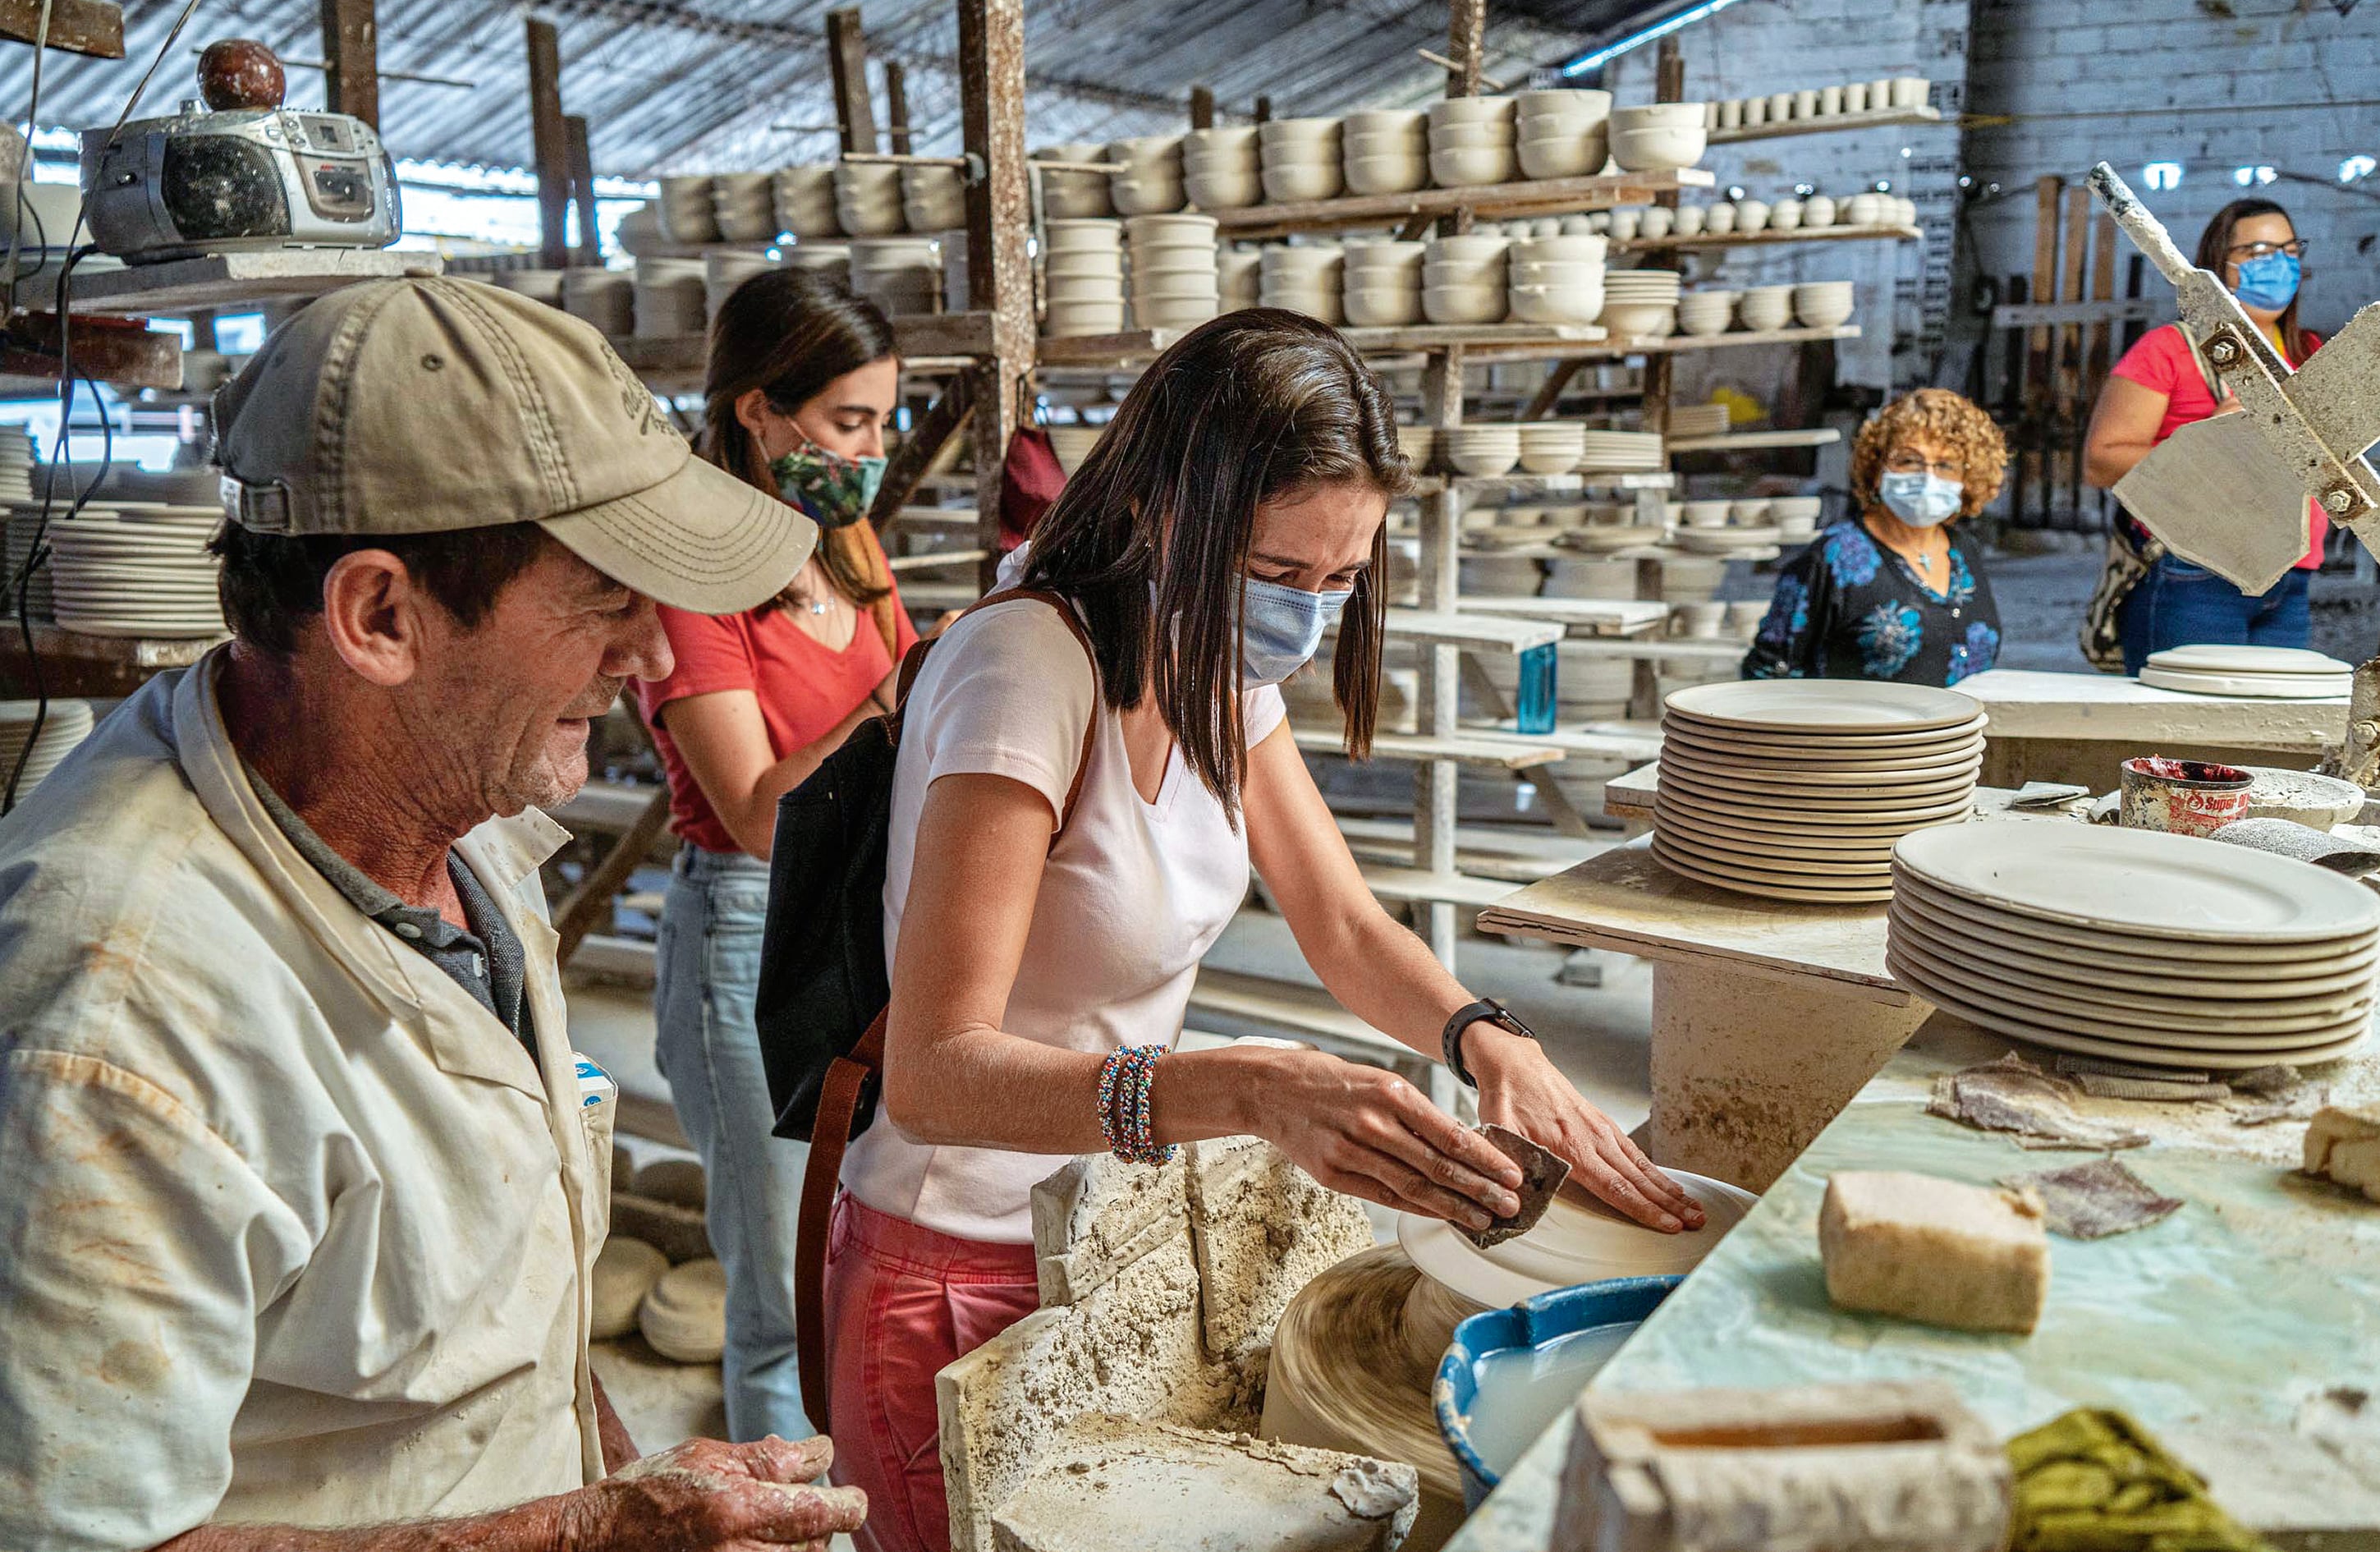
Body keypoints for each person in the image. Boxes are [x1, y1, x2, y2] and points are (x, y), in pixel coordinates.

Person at [0, 278, 866, 1552]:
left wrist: (619, 1475)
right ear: (380, 617)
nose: (658, 656)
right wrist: (583, 1532)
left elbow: (507, 1309)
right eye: (605, 595)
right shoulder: (118, 1012)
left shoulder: (454, 805)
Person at [823, 310, 1704, 1552]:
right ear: (1158, 513)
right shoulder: (1024, 670)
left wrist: (1484, 1037)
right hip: (952, 1267)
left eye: (1340, 579)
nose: (1306, 614)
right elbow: (932, 1072)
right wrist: (1246, 1085)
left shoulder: (1212, 663)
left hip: (1098, 1240)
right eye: (1279, 575)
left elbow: (1341, 922)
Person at [635, 270, 917, 1446]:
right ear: (759, 410)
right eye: (849, 420)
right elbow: (755, 807)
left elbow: (908, 707)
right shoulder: (689, 575)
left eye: (883, 419)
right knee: (776, 1293)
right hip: (745, 927)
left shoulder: (847, 545)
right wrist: (896, 700)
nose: (872, 447)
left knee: (858, 1240)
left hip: (861, 903)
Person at [2084, 197, 2325, 673]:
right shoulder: (2170, 349)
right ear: (2219, 263)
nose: (2277, 263)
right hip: (2194, 572)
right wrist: (2210, 441)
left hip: (2290, 575)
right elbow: (2101, 461)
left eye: (2289, 250)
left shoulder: (2308, 351)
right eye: (2257, 252)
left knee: (2271, 734)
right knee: (2184, 732)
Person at [1743, 388, 2009, 684]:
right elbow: (1768, 672)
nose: (1927, 477)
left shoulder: (1963, 551)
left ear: (1968, 477)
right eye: (1909, 461)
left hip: (1957, 731)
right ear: (1878, 468)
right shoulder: (1833, 558)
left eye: (1946, 465)